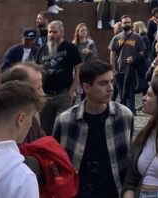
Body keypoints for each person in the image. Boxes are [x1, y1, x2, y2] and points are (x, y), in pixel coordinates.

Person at [53, 59, 134, 198]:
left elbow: (130, 159)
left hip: (114, 191)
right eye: (103, 83)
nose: (111, 88)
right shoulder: (65, 120)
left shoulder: (124, 115)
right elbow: (56, 162)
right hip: (78, 192)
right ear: (87, 87)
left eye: (111, 81)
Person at [36, 20, 82, 134]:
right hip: (45, 96)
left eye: (54, 32)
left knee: (62, 129)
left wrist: (71, 92)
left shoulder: (70, 48)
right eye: (49, 32)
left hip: (63, 95)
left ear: (62, 32)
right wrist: (38, 91)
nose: (51, 35)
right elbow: (37, 72)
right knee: (44, 130)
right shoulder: (42, 49)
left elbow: (78, 70)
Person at [109, 16, 147, 110]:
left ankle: (131, 114)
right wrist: (113, 69)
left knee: (130, 93)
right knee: (122, 93)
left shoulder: (137, 37)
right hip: (119, 70)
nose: (127, 24)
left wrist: (134, 58)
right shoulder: (116, 38)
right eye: (125, 22)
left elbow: (142, 52)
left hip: (132, 70)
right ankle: (122, 112)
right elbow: (112, 54)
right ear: (121, 24)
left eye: (128, 22)